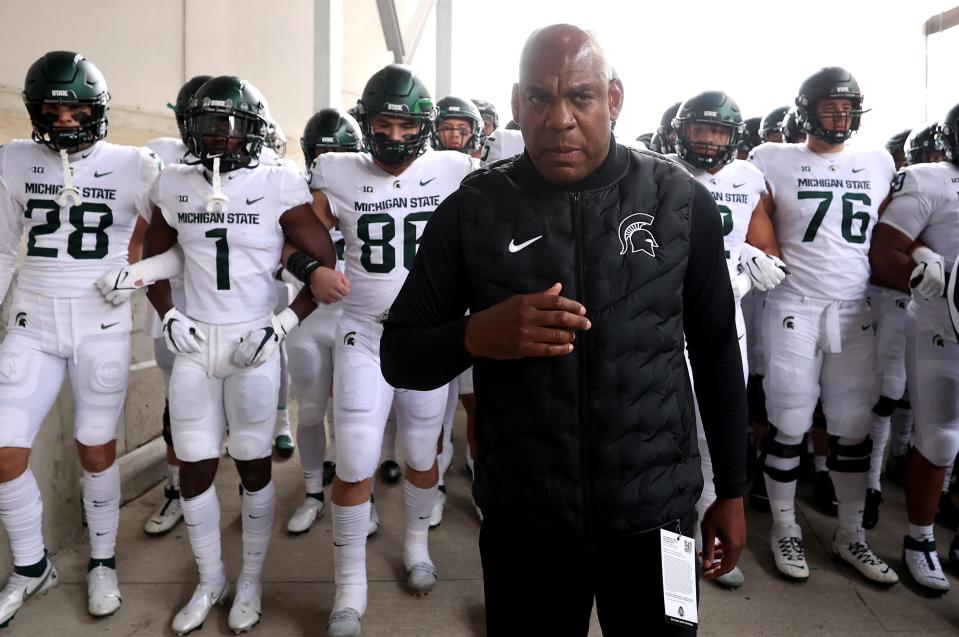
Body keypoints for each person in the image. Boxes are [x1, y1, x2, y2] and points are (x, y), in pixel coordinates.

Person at [380, 25, 747, 636]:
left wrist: (731, 492)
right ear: (519, 104)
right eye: (541, 99)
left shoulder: (679, 202)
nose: (560, 120)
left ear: (614, 99)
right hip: (526, 525)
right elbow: (400, 355)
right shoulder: (475, 209)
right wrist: (476, 335)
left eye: (580, 97)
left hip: (660, 518)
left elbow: (715, 354)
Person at [131, 75, 338, 634]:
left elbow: (324, 271)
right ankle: (210, 578)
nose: (216, 134)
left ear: (252, 127)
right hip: (197, 341)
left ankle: (250, 579)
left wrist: (283, 323)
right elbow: (159, 260)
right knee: (194, 465)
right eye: (204, 123)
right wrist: (168, 312)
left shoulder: (279, 183)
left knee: (252, 462)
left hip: (252, 338)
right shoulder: (172, 182)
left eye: (227, 122)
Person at [306, 64, 479, 637]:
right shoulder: (335, 170)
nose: (397, 136)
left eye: (408, 126)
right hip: (363, 329)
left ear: (425, 127)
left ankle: (415, 547)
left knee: (422, 453)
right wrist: (309, 268)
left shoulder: (455, 169)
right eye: (386, 123)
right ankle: (349, 588)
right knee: (354, 457)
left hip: (428, 332)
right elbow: (292, 230)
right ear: (367, 122)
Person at [0, 50, 161, 624]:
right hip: (33, 321)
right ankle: (31, 565)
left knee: (96, 449)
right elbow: (1, 249)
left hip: (101, 322)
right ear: (35, 110)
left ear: (98, 109)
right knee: (4, 449)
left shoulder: (136, 163)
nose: (65, 120)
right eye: (52, 109)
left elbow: (175, 239)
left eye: (76, 110)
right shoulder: (14, 159)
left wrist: (137, 273)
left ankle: (101, 561)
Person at [749, 66, 898, 585]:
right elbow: (756, 220)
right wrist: (760, 251)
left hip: (854, 307)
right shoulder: (771, 159)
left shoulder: (878, 160)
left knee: (853, 425)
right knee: (788, 419)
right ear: (805, 109)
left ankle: (851, 534)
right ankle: (785, 525)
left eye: (847, 106)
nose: (839, 115)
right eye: (829, 106)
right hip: (795, 302)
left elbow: (888, 232)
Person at [668, 89, 786, 590]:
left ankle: (708, 542)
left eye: (719, 132)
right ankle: (672, 543)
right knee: (667, 432)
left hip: (722, 325)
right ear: (682, 132)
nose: (710, 141)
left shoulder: (748, 178)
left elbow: (768, 252)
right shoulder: (661, 171)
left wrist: (753, 262)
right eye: (702, 130)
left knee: (716, 433)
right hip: (666, 322)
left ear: (734, 138)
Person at [869, 104, 959, 593]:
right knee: (940, 437)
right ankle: (919, 537)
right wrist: (922, 260)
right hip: (941, 326)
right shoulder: (929, 179)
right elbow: (884, 254)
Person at [284, 107, 361, 535]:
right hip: (309, 317)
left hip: (354, 318)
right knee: (312, 409)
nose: (329, 160)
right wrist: (307, 271)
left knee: (354, 413)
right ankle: (313, 491)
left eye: (339, 152)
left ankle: (358, 495)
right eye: (322, 152)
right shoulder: (291, 191)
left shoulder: (367, 189)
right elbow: (273, 254)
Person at [141, 74, 211, 536]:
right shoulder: (160, 158)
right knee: (178, 408)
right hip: (174, 303)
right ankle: (175, 488)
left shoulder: (255, 163)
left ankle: (248, 488)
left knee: (243, 403)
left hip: (230, 305)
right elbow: (143, 235)